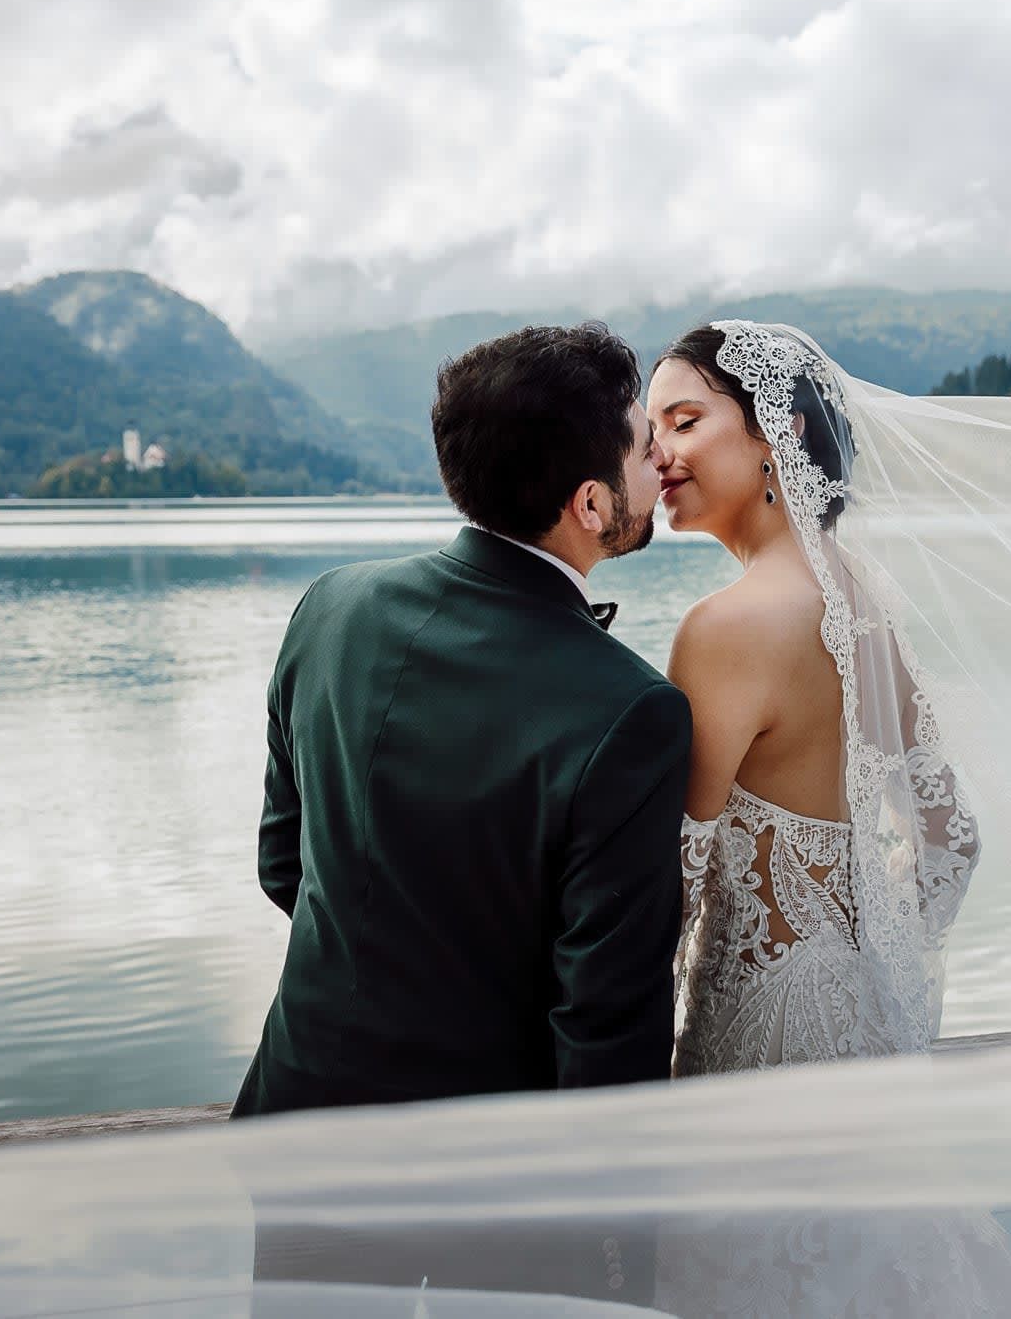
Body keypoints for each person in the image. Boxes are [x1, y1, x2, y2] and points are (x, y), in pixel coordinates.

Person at [646, 321, 1011, 1316]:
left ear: (775, 432)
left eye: (685, 420)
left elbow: (673, 882)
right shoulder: (864, 600)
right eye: (648, 427)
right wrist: (880, 970)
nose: (658, 452)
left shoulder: (727, 627)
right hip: (860, 1028)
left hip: (759, 1040)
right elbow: (952, 840)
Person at [234, 321, 689, 1120]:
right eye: (641, 447)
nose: (661, 461)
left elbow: (284, 864)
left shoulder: (328, 605)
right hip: (473, 1161)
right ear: (590, 503)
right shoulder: (632, 711)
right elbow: (608, 1027)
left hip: (286, 1112)